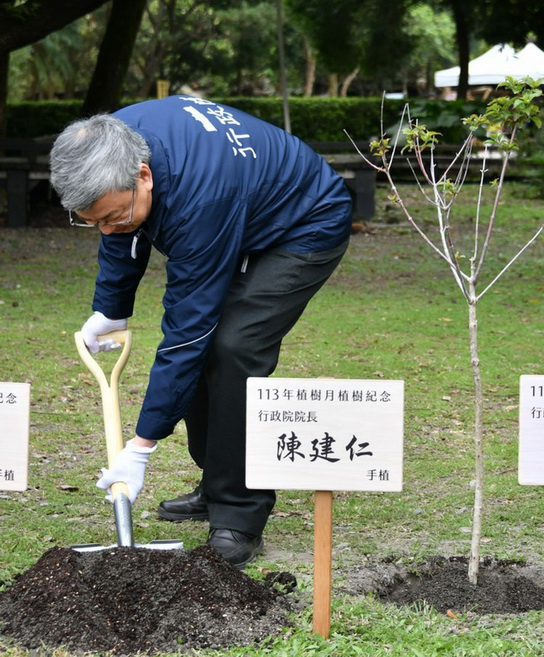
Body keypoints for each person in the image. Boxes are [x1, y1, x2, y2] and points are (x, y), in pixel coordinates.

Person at [51, 97, 353, 568]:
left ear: (144, 176)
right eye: (93, 222)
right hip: (242, 206)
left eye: (111, 215)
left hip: (303, 223)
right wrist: (111, 309)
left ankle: (239, 511)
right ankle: (217, 481)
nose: (105, 229)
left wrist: (143, 444)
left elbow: (188, 330)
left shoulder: (200, 197)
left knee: (231, 348)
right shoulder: (112, 141)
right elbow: (121, 232)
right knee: (204, 347)